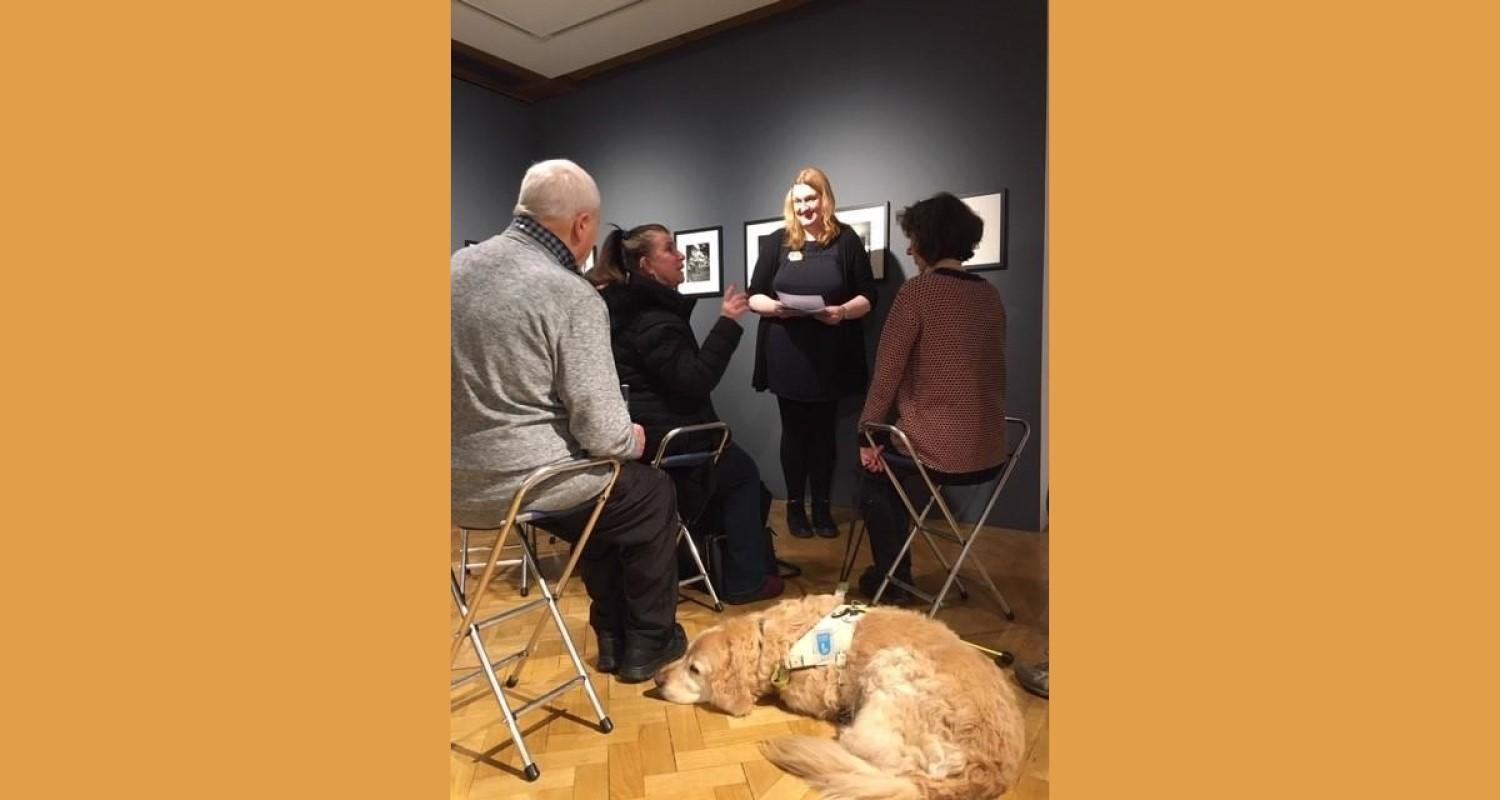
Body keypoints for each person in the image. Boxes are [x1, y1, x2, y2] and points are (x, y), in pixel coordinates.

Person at [451, 159, 685, 683]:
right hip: (530, 485)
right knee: (648, 491)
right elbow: (603, 430)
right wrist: (631, 437)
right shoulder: (568, 292)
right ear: (582, 225)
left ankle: (610, 634)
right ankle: (648, 641)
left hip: (457, 489)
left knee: (603, 494)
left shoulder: (454, 270)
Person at [586, 224, 785, 604]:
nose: (680, 255)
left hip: (645, 435)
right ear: (647, 265)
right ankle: (745, 580)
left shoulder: (627, 311)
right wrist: (727, 324)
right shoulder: (654, 321)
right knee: (742, 474)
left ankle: (704, 563)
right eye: (669, 249)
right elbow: (694, 381)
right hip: (672, 440)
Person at [856, 192, 1007, 601]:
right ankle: (895, 574)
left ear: (929, 241)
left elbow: (886, 375)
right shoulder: (989, 295)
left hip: (938, 448)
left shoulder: (918, 293)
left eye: (913, 238)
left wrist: (866, 436)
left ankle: (894, 581)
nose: (909, 248)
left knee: (874, 475)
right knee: (888, 461)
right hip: (991, 449)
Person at [748, 167, 878, 539]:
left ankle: (821, 507)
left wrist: (841, 312)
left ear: (825, 199)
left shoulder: (846, 240)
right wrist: (775, 308)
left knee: (823, 434)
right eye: (798, 200)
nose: (805, 207)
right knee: (794, 433)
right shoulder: (777, 242)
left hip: (830, 351)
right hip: (785, 351)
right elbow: (755, 293)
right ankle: (794, 507)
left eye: (811, 198)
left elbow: (868, 295)